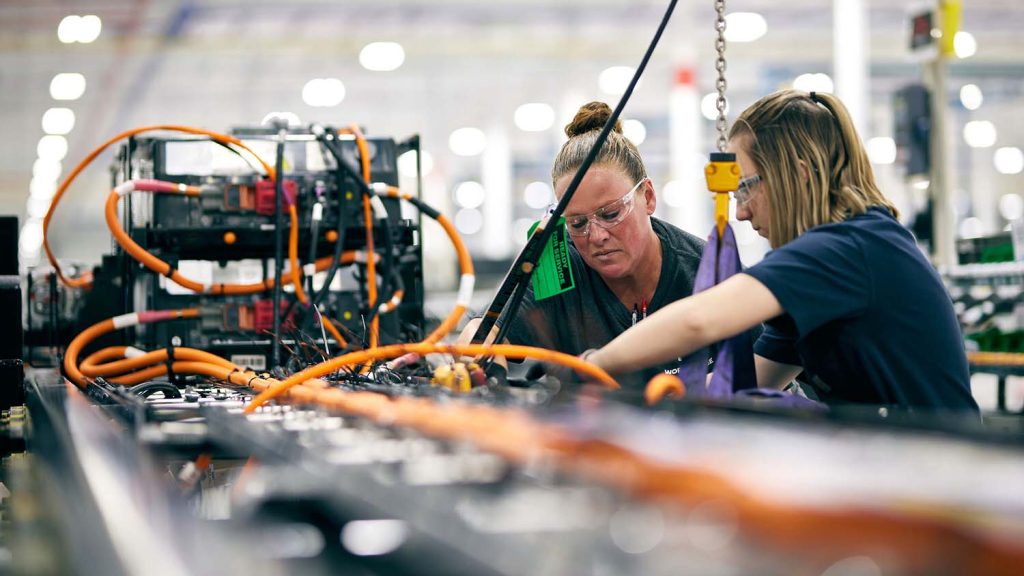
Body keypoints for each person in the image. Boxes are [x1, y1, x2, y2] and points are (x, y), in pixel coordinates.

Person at [584, 89, 979, 412]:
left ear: (800, 174)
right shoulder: (849, 251)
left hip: (938, 480)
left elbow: (699, 322)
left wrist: (596, 363)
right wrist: (643, 402)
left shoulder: (846, 249)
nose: (739, 211)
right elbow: (746, 379)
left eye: (746, 187)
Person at [460, 101, 706, 387]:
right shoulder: (559, 264)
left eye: (611, 214)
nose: (597, 236)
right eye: (577, 223)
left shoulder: (705, 269)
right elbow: (481, 332)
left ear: (648, 197)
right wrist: (480, 367)